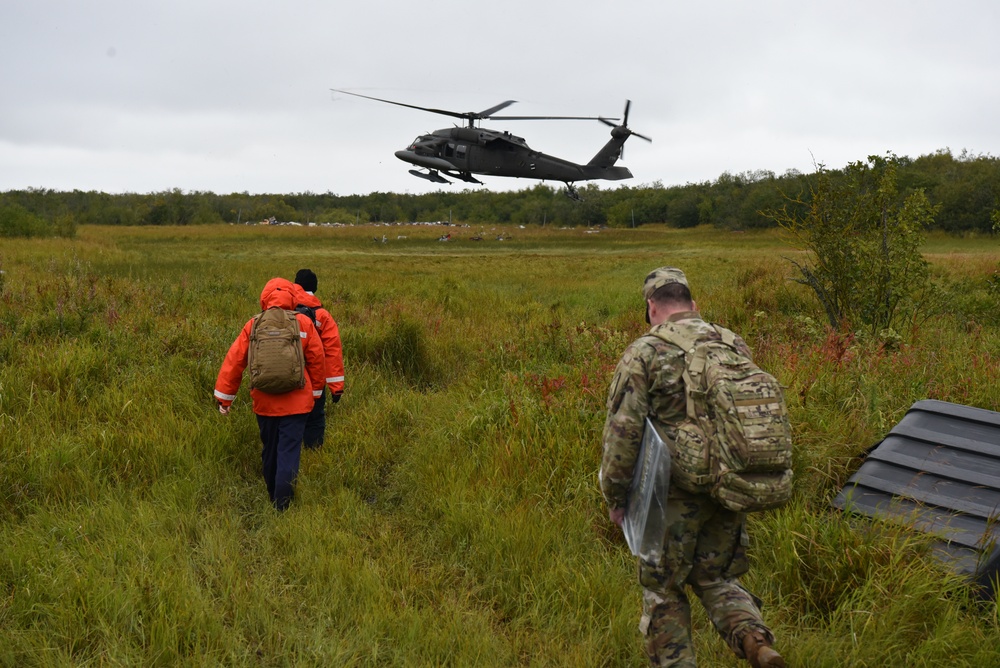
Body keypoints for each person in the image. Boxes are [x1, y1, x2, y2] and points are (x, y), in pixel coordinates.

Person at [600, 267, 785, 668]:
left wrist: (616, 498)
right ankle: (757, 643)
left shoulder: (645, 351)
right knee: (717, 578)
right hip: (727, 487)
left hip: (672, 499)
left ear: (651, 308)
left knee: (663, 591)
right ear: (693, 305)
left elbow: (623, 433)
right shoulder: (732, 342)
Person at [214, 277, 326, 511]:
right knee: (288, 451)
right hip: (298, 404)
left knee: (270, 448)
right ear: (292, 298)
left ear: (264, 299)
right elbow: (317, 361)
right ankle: (282, 504)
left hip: (264, 402)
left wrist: (225, 398)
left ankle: (271, 492)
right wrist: (315, 394)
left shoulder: (253, 325)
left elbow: (234, 361)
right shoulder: (304, 324)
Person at [292, 268, 345, 449]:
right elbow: (332, 352)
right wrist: (336, 388)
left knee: (288, 418)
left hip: (283, 375)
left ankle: (289, 450)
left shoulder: (281, 309)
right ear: (315, 288)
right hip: (314, 379)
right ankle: (313, 453)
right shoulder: (322, 315)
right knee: (315, 418)